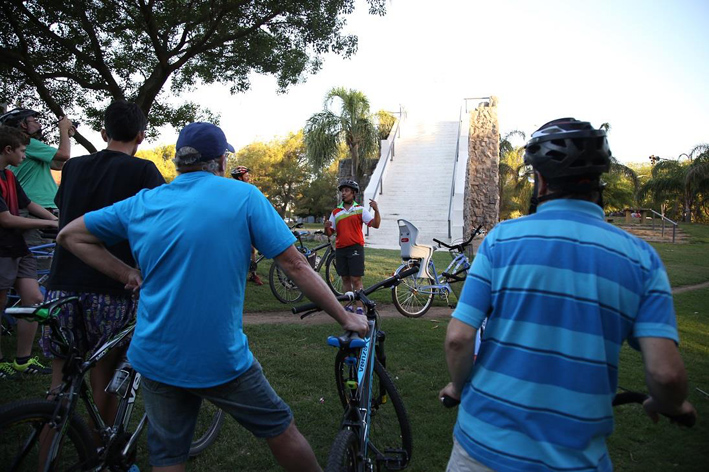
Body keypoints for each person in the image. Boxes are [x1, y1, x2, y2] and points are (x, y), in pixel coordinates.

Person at [57, 122, 368, 472]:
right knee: (280, 428)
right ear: (221, 161)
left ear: (179, 161)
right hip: (220, 358)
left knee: (168, 456)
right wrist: (345, 316)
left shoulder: (143, 202)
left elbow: (70, 236)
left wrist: (127, 273)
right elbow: (295, 264)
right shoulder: (243, 196)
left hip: (155, 356)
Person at [440, 118, 696, 472]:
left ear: (541, 181)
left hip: (482, 450)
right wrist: (673, 403)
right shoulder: (640, 259)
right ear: (598, 184)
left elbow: (458, 339)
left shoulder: (501, 241)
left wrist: (458, 386)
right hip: (574, 461)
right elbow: (666, 375)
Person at [40, 100, 165, 424]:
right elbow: (161, 225)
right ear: (141, 135)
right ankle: (100, 459)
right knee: (105, 383)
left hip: (61, 287)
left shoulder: (73, 168)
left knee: (57, 389)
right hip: (112, 289)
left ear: (103, 131)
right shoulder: (144, 171)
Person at [0, 126, 58, 379]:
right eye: (22, 151)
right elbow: (7, 220)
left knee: (33, 299)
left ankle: (22, 360)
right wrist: (48, 224)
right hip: (2, 249)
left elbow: (28, 205)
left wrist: (60, 220)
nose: (25, 156)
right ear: (8, 150)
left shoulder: (9, 177)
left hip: (18, 248)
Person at [324, 179, 380, 314]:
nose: (343, 193)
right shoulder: (336, 212)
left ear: (353, 193)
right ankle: (348, 306)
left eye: (346, 191)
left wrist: (376, 210)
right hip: (341, 249)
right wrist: (326, 227)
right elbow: (330, 233)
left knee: (356, 279)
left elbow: (375, 225)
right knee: (345, 278)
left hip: (356, 248)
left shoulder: (360, 210)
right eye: (342, 191)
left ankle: (360, 307)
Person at [231, 165, 263, 285]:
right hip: (237, 223)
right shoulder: (238, 190)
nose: (248, 176)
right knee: (246, 249)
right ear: (240, 177)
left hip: (246, 221)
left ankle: (253, 274)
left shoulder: (247, 188)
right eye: (246, 175)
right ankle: (244, 273)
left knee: (251, 250)